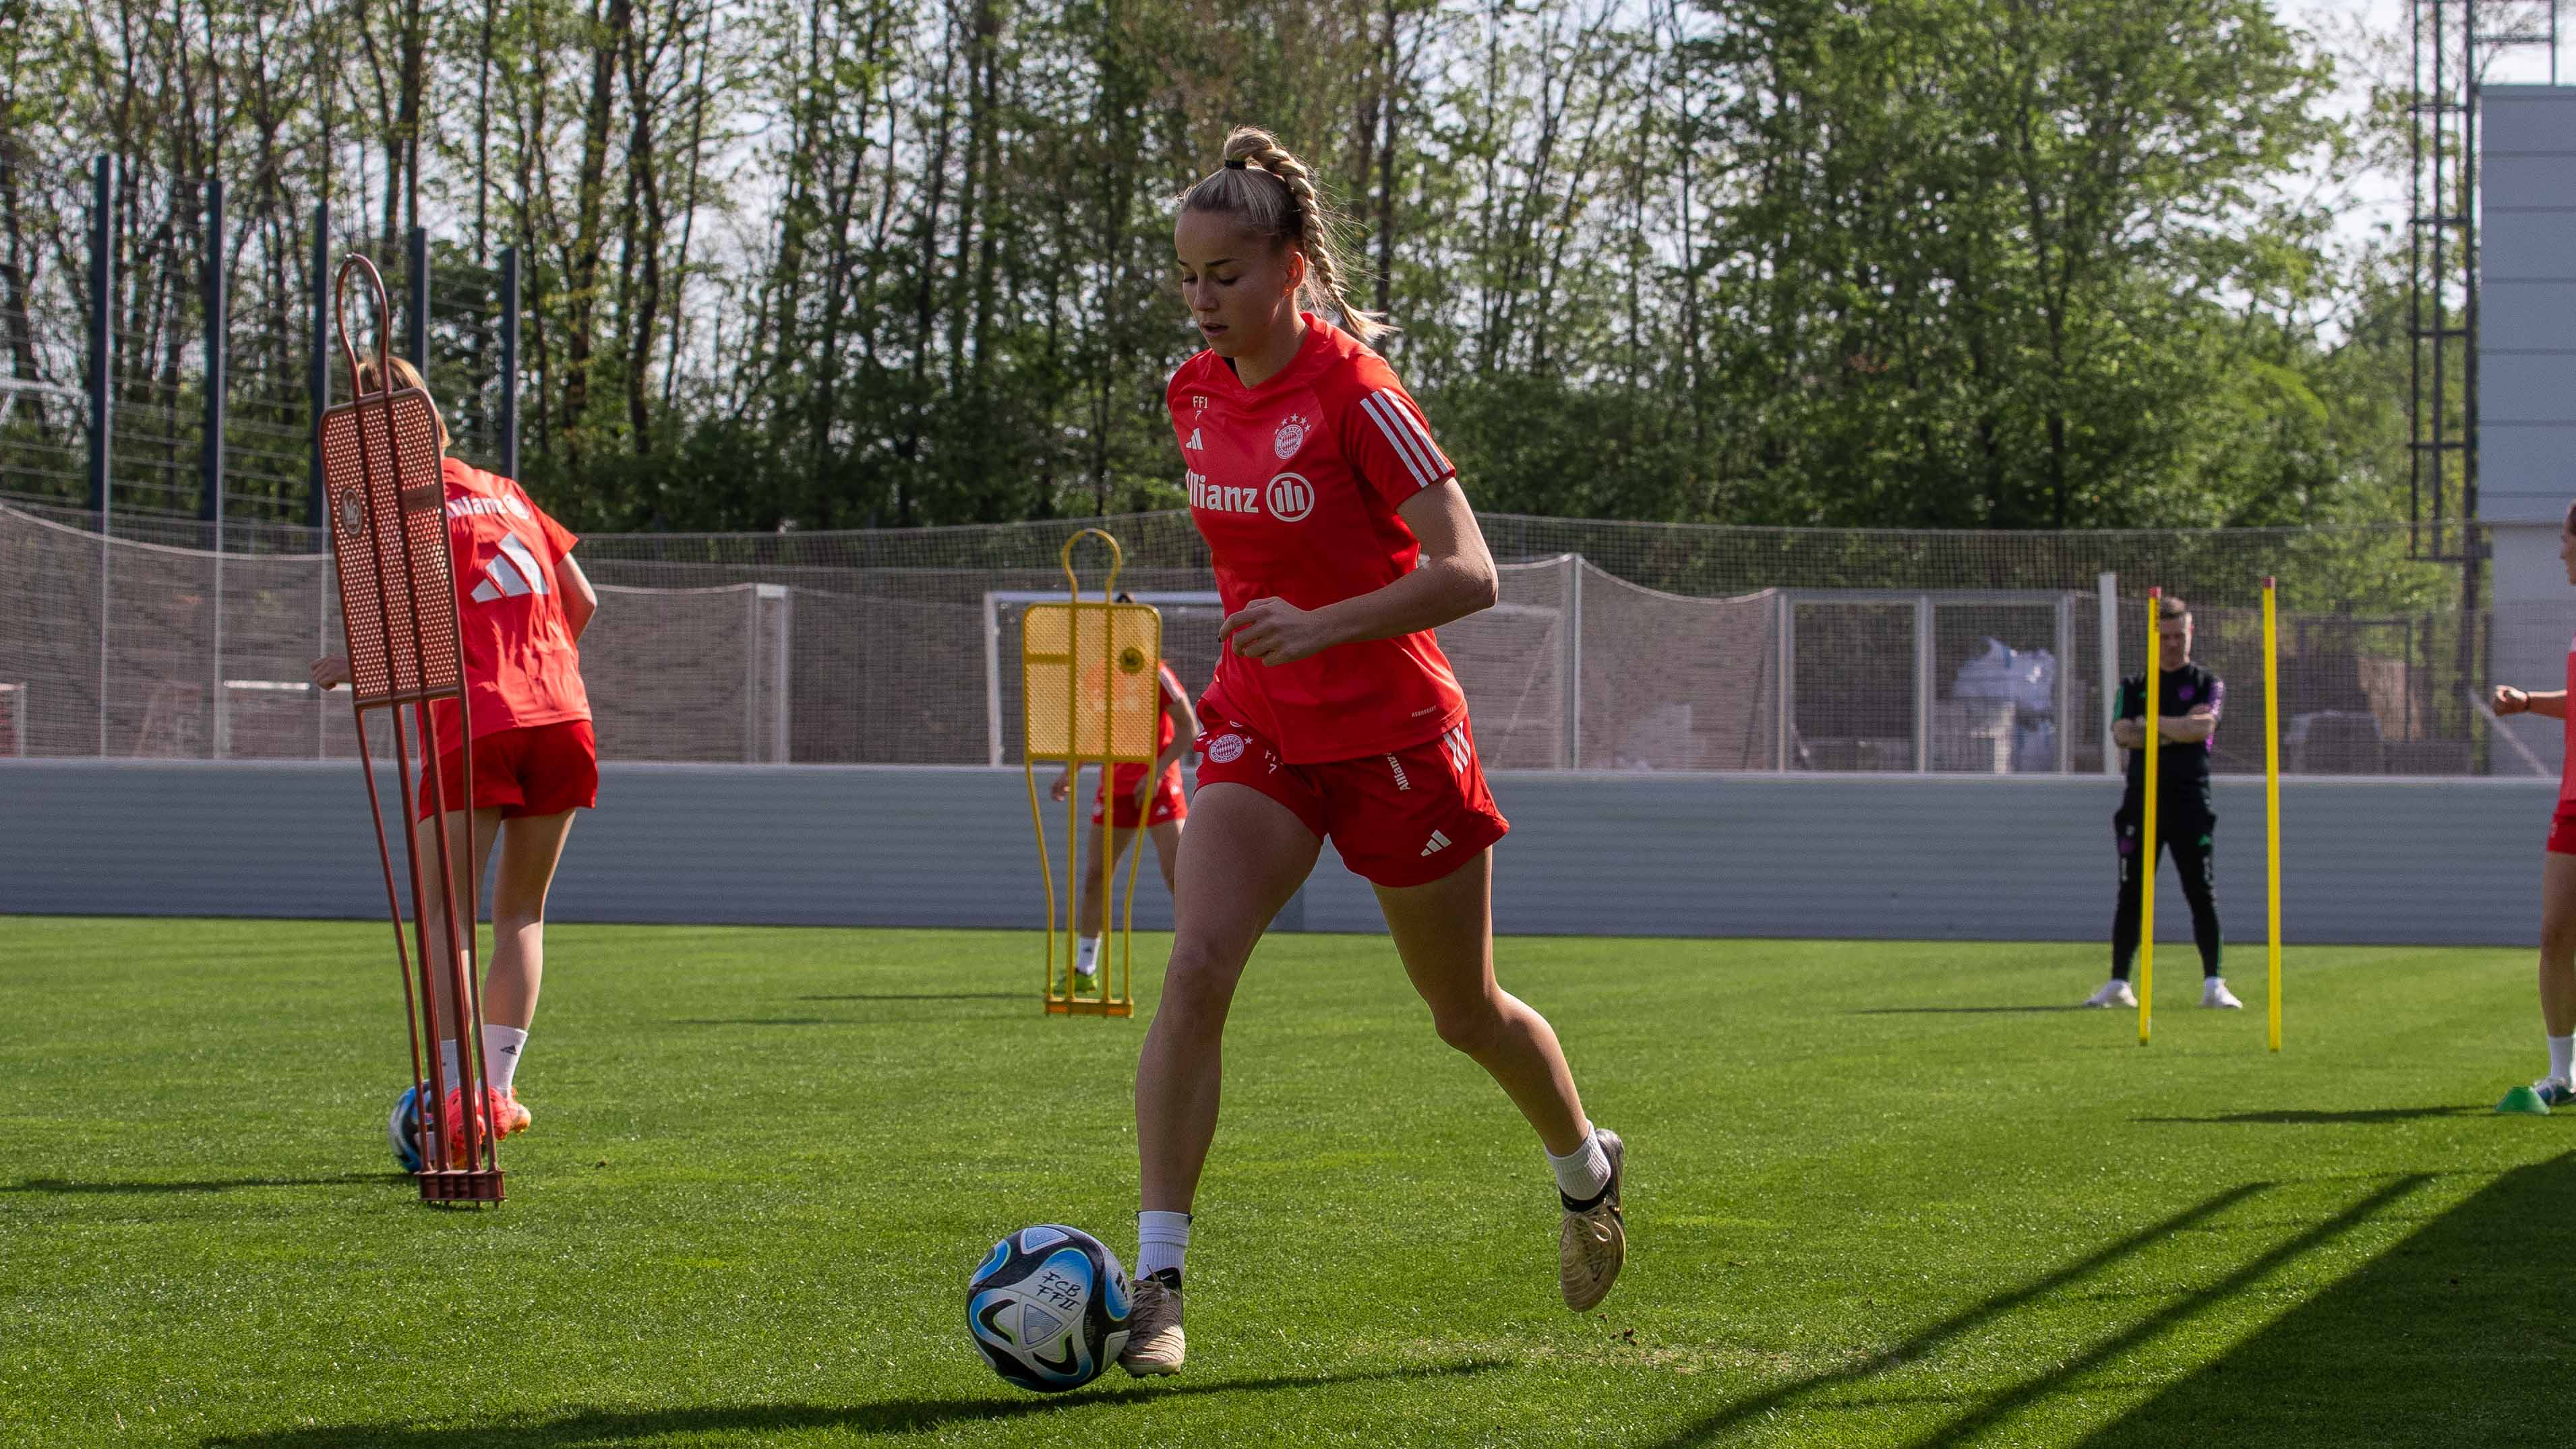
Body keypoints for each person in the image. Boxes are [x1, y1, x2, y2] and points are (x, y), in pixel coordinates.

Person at [1118, 127, 1624, 1379]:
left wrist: (1322, 625)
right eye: (1185, 278)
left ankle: (1584, 1168)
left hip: (1399, 739)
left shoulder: (1361, 395)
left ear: (1290, 268)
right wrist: (1273, 654)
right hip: (1261, 729)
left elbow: (1471, 573)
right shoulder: (1191, 394)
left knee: (1464, 1016)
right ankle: (1159, 1285)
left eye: (1223, 277)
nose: (1200, 302)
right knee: (1195, 973)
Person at [311, 356, 599, 1161]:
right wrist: (530, 660)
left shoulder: (395, 508)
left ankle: (452, 1095)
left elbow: (397, 634)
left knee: (446, 911)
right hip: (563, 710)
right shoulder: (508, 489)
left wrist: (351, 666)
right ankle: (498, 1090)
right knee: (522, 912)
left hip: (475, 717)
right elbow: (585, 601)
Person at [2085, 595, 2240, 1010]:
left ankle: (2214, 984)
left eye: (2180, 635)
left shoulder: (2208, 683)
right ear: (2154, 639)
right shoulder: (2134, 686)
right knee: (2131, 892)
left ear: (2190, 634)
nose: (2173, 644)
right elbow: (2122, 735)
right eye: (2166, 636)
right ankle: (2119, 983)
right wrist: (2176, 727)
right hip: (2141, 802)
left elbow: (2203, 728)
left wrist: (2151, 724)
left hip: (2191, 801)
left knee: (2200, 891)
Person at [1047, 601, 1199, 980]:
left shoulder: (1157, 672)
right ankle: (1085, 966)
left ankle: (1197, 958)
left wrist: (1157, 772)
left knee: (1177, 875)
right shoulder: (1098, 674)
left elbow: (1189, 729)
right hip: (1114, 787)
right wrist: (1071, 770)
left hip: (1159, 789)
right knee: (1096, 876)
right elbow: (1094, 733)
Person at [2482, 501, 2576, 1107]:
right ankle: (2562, 1075)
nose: (2561, 551)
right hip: (2573, 797)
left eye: (2566, 539)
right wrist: (2526, 702)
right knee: (2554, 934)